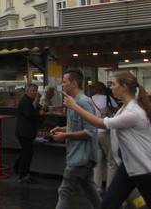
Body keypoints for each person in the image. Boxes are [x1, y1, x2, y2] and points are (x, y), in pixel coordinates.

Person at [63, 72, 151, 209]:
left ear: (124, 87)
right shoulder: (124, 108)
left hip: (143, 168)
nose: (111, 88)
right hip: (128, 167)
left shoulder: (134, 112)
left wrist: (75, 107)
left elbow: (100, 123)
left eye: (114, 84)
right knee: (109, 204)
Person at [51, 69, 101, 209]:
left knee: (65, 190)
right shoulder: (72, 102)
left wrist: (66, 135)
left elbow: (90, 131)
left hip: (81, 157)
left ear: (74, 83)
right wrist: (61, 129)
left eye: (64, 82)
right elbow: (76, 125)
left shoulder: (83, 102)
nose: (62, 85)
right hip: (78, 156)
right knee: (90, 192)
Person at [90, 82, 118, 194]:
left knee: (97, 162)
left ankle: (97, 187)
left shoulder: (89, 99)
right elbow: (118, 109)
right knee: (111, 161)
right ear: (103, 89)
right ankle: (109, 187)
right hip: (106, 131)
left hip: (93, 132)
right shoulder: (108, 98)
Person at [15, 83, 46, 184]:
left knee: (27, 152)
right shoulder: (25, 101)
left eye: (36, 90)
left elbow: (36, 108)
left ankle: (20, 171)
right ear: (27, 91)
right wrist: (38, 113)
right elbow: (28, 114)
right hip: (24, 131)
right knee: (27, 153)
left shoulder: (32, 101)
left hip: (28, 131)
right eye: (33, 90)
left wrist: (44, 108)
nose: (35, 92)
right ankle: (22, 175)